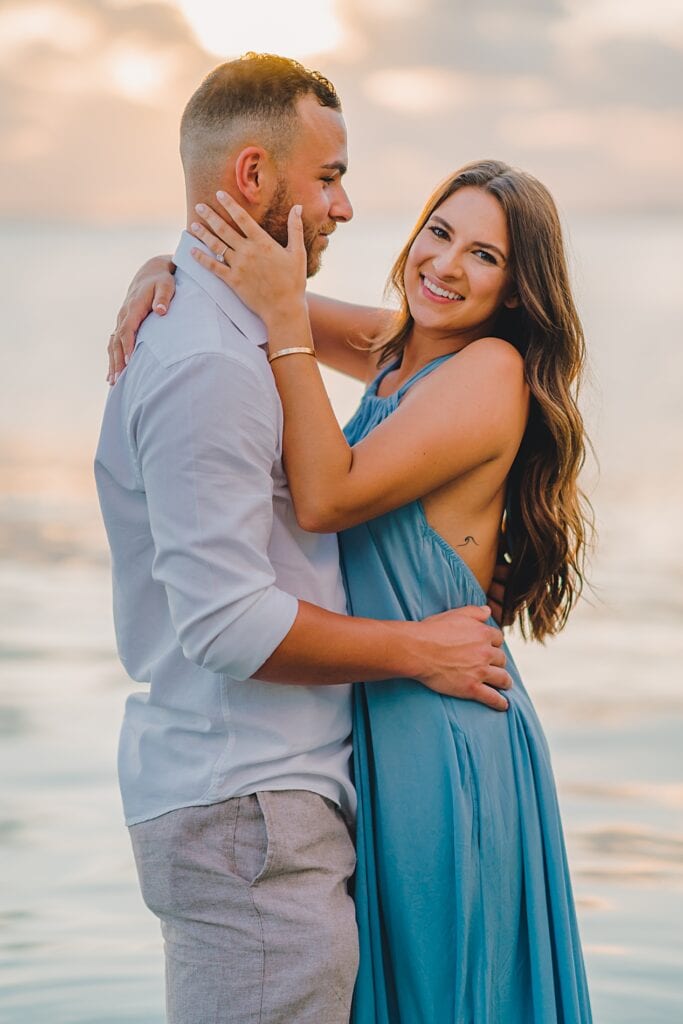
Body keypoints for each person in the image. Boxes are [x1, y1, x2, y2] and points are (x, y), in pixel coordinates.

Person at [117, 158, 594, 1022]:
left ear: (518, 292)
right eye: (439, 234)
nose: (445, 266)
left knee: (440, 991)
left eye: (484, 257)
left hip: (441, 727)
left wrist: (287, 329)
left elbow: (326, 495)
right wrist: (157, 274)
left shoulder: (488, 371)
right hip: (383, 709)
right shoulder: (398, 349)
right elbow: (240, 287)